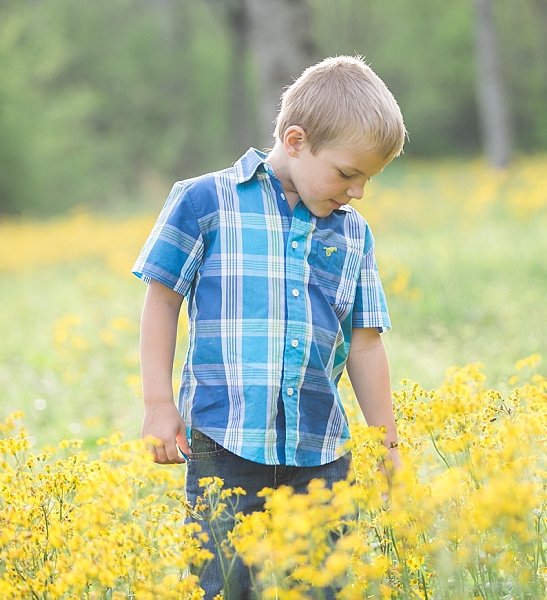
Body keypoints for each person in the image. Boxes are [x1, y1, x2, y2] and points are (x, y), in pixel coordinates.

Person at [132, 55, 405, 599]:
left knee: (321, 588)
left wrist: (386, 443)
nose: (358, 192)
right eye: (348, 173)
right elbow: (160, 303)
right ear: (297, 140)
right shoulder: (204, 201)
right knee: (225, 586)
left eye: (369, 179)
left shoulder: (354, 234)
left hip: (322, 451)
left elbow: (365, 343)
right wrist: (159, 404)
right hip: (226, 443)